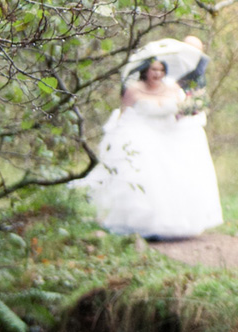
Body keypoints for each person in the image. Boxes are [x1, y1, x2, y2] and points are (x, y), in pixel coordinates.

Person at [77, 52, 224, 240]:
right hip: (142, 133)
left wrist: (189, 109)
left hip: (169, 136)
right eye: (154, 69)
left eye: (161, 70)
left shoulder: (173, 89)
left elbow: (182, 112)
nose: (157, 73)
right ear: (145, 70)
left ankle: (173, 223)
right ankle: (142, 223)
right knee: (147, 172)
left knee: (174, 176)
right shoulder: (133, 90)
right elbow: (124, 115)